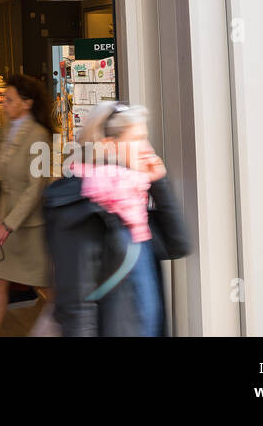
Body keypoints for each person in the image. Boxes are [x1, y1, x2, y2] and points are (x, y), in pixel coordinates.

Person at [42, 102, 191, 336]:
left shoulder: (132, 196)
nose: (147, 149)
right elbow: (77, 305)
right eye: (137, 139)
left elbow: (177, 246)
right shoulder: (80, 204)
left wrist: (159, 183)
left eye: (146, 138)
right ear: (109, 146)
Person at [0, 74, 55, 336]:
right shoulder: (8, 130)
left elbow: (36, 187)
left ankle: (71, 326)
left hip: (32, 226)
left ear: (27, 103)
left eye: (8, 99)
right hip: (7, 224)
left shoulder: (40, 137)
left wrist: (8, 224)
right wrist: (0, 221)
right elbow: (8, 185)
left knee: (44, 286)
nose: (3, 104)